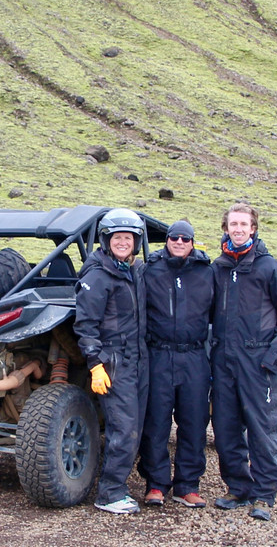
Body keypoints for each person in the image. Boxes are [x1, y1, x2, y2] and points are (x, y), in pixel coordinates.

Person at [210, 202, 277, 522]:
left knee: (262, 430)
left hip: (257, 359)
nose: (238, 229)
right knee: (225, 428)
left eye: (243, 224)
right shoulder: (218, 268)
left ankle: (265, 492)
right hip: (224, 361)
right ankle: (238, 488)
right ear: (226, 228)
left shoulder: (269, 267)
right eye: (233, 224)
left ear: (253, 228)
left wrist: (274, 357)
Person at [74, 208, 149, 515]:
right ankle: (110, 492)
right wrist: (95, 364)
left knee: (137, 427)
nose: (123, 242)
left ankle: (117, 486)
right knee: (124, 429)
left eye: (128, 238)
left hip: (138, 360)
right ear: (106, 240)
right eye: (117, 237)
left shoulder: (132, 271)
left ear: (136, 242)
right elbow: (86, 324)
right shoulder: (98, 275)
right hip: (114, 363)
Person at [137, 219, 214, 508]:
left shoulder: (208, 273)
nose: (179, 242)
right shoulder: (150, 270)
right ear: (166, 240)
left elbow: (220, 314)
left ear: (193, 243)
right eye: (174, 237)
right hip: (158, 355)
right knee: (155, 422)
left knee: (194, 422)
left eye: (185, 238)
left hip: (194, 356)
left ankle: (187, 486)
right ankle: (156, 484)